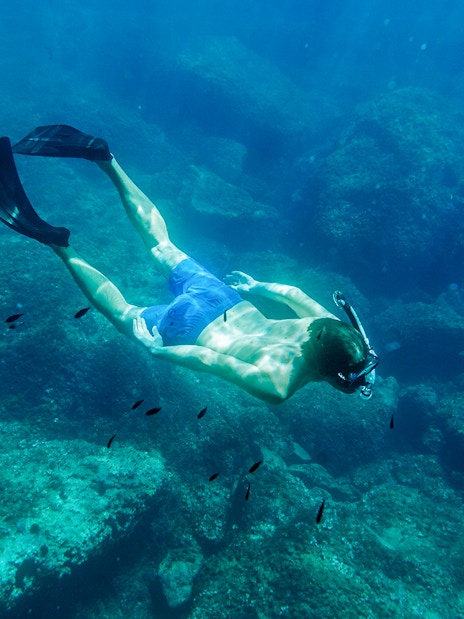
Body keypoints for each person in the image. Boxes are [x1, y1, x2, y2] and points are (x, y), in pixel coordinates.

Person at [0, 125, 378, 403]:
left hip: (227, 301)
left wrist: (254, 287)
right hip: (190, 332)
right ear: (335, 376)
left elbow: (292, 292)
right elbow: (210, 360)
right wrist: (157, 351)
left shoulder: (323, 324)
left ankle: (106, 160)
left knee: (161, 244)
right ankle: (59, 245)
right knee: (122, 312)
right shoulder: (280, 384)